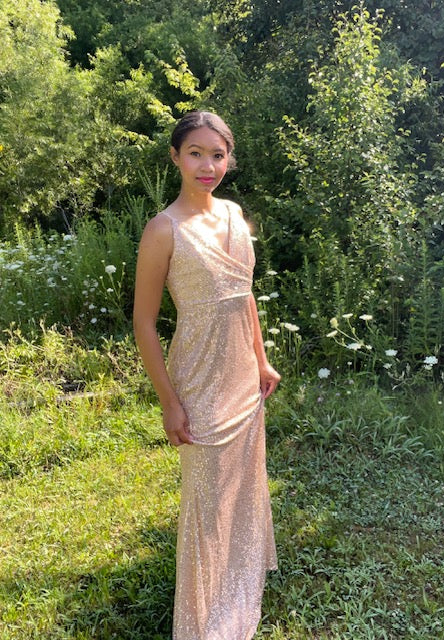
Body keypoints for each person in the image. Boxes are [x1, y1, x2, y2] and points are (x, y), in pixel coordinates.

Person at [133, 110, 280, 640]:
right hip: (198, 375)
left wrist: (261, 359)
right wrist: (169, 402)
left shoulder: (235, 215)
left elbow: (245, 296)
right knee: (207, 496)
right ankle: (206, 617)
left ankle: (240, 577)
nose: (207, 166)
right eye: (195, 153)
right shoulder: (163, 229)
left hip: (242, 371)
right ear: (175, 156)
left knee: (242, 483)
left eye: (217, 155)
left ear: (229, 160)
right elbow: (143, 323)